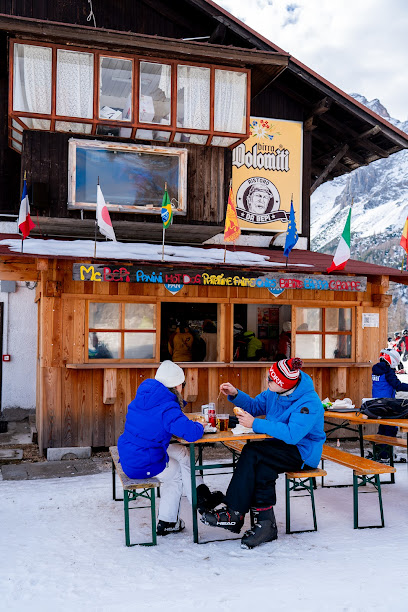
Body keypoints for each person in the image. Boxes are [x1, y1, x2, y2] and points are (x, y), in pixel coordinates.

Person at [201, 357, 325, 549]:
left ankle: (234, 512)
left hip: (302, 452)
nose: (268, 380)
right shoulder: (273, 393)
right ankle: (266, 526)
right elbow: (254, 406)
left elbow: (293, 435)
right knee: (262, 468)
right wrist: (235, 394)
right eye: (269, 376)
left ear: (284, 385)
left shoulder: (309, 402)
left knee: (252, 451)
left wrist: (255, 424)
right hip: (276, 447)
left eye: (272, 379)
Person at [118, 361, 223, 535]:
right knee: (175, 474)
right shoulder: (168, 408)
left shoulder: (147, 395)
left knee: (183, 453)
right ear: (177, 385)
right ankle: (169, 521)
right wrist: (200, 426)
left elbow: (161, 415)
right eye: (183, 384)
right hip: (142, 462)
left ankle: (202, 497)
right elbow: (190, 434)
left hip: (132, 452)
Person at [371, 348, 408, 459]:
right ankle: (385, 454)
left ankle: (379, 451)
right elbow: (397, 385)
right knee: (391, 428)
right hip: (387, 404)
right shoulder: (387, 371)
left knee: (383, 426)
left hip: (376, 403)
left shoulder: (376, 369)